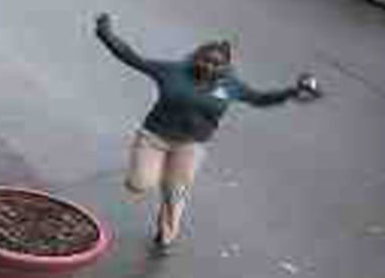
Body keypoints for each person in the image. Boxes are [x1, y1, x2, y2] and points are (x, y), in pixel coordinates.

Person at [95, 13, 320, 252]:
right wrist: (106, 34)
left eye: (216, 64)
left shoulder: (231, 86)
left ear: (225, 67)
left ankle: (166, 235)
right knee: (138, 184)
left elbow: (260, 99)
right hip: (154, 137)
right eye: (205, 60)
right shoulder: (173, 72)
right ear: (195, 58)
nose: (209, 67)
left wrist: (292, 92)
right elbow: (132, 58)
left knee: (176, 191)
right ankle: (160, 172)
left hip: (190, 145)